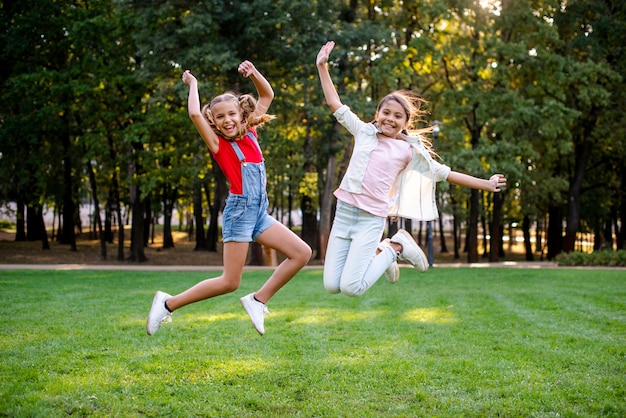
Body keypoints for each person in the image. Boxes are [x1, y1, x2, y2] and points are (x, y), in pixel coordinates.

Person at [316, 41, 506, 297]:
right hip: (345, 214)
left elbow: (445, 174)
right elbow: (334, 103)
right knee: (331, 286)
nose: (390, 119)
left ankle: (395, 248)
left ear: (406, 122)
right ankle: (386, 253)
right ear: (377, 113)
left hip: (371, 219)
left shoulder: (408, 151)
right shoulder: (363, 132)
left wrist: (486, 183)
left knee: (352, 288)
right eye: (386, 112)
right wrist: (322, 66)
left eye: (397, 116)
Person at [146, 61, 312, 336]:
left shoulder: (251, 131)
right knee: (229, 281)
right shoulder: (218, 144)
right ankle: (167, 303)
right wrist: (193, 85)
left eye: (232, 114)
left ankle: (258, 300)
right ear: (214, 121)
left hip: (259, 213)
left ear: (241, 114)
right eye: (220, 117)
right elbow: (194, 115)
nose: (227, 120)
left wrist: (254, 74)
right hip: (239, 213)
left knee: (302, 253)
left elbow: (267, 95)